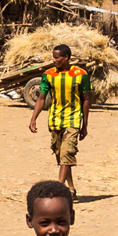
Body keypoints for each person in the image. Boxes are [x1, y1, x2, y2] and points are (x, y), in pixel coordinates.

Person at [26, 43, 91, 197]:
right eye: (53, 57)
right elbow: (41, 98)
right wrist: (33, 118)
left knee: (67, 154)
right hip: (55, 120)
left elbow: (86, 99)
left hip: (73, 119)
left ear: (66, 57)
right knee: (61, 156)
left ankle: (58, 191)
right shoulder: (48, 75)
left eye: (57, 58)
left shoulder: (80, 74)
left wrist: (85, 125)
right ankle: (71, 189)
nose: (54, 60)